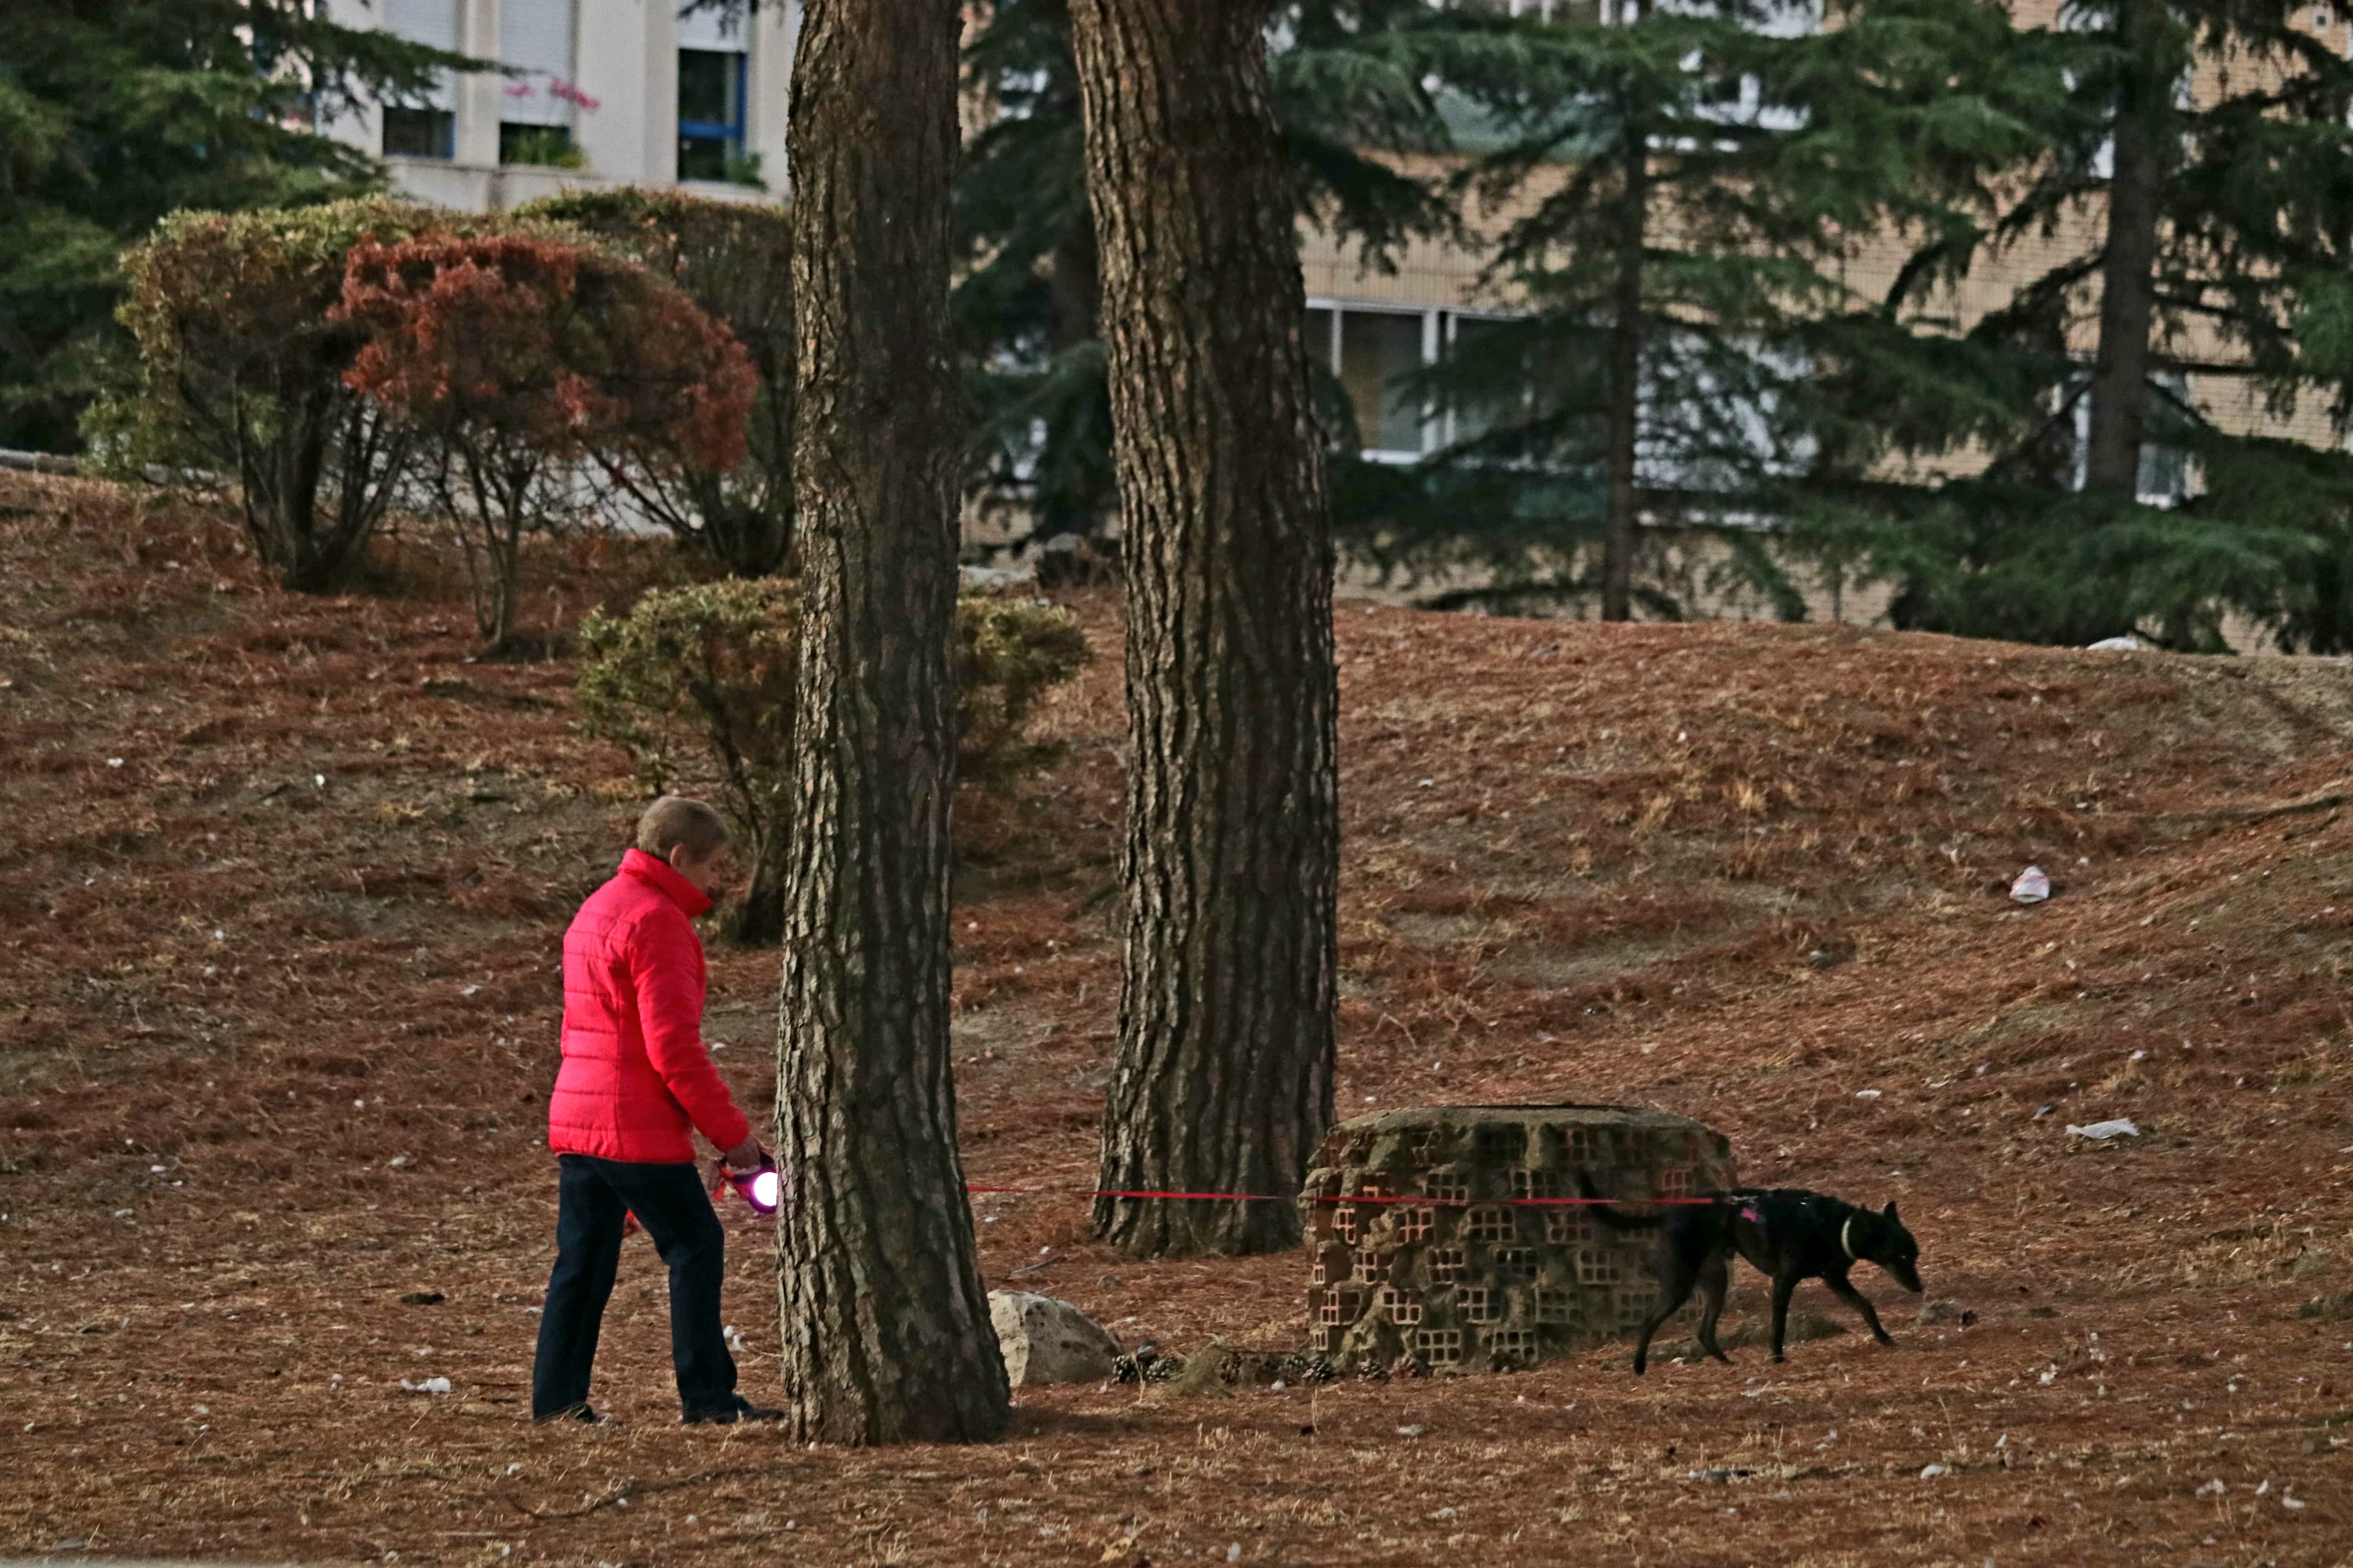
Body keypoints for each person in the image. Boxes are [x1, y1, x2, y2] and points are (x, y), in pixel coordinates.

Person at [530, 795, 782, 1425]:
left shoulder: (598, 908)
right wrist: (736, 1141)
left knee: (582, 1262)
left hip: (578, 1117)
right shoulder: (660, 922)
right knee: (696, 1244)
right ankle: (708, 1398)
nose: (722, 880)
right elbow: (673, 1048)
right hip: (630, 1123)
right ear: (679, 857)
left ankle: (557, 1401)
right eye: (716, 864)